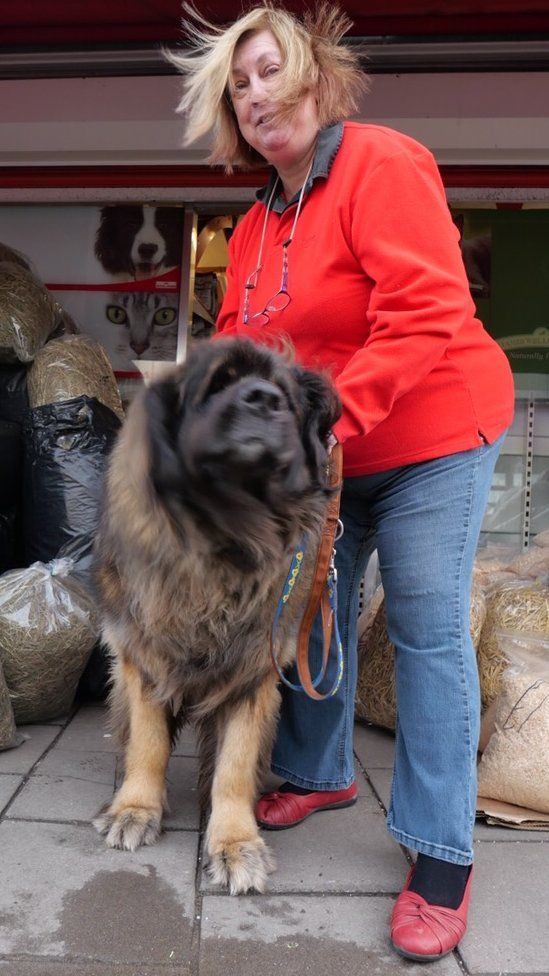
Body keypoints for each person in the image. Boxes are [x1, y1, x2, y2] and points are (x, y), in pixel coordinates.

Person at [168, 3, 515, 961]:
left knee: (422, 619)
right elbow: (239, 348)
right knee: (308, 604)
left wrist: (319, 424)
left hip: (435, 431)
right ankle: (318, 771)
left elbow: (426, 309)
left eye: (267, 70)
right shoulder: (253, 224)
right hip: (331, 448)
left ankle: (440, 853)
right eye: (237, 85)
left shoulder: (379, 162)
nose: (253, 93)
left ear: (315, 79)